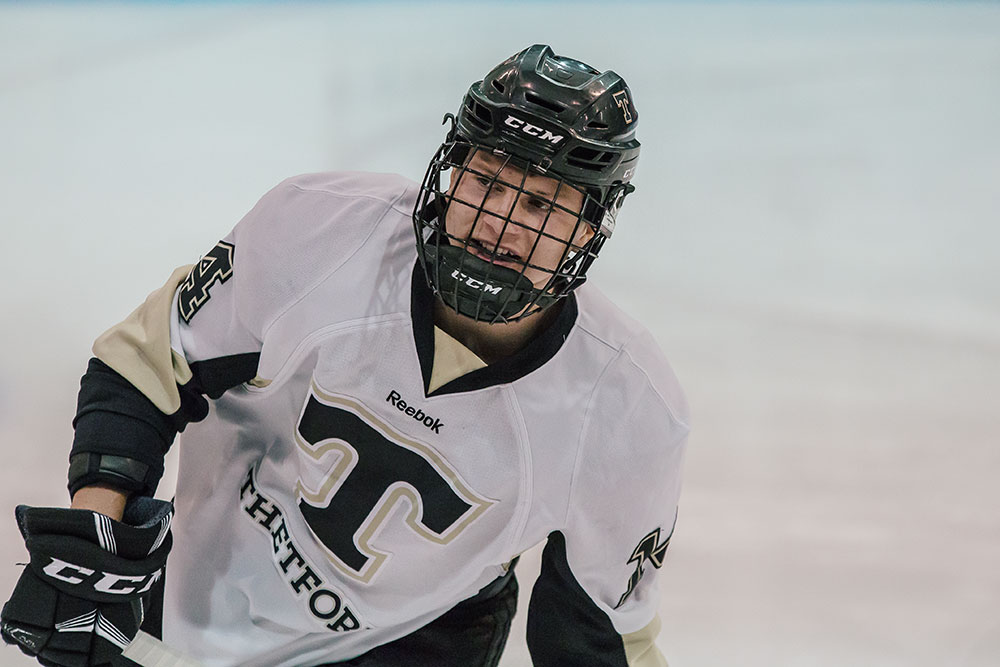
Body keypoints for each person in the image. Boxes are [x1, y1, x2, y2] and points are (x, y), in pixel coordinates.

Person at [2, 44, 690, 667]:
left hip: (406, 646)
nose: (498, 224)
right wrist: (96, 539)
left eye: (543, 205)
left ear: (592, 229)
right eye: (487, 184)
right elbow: (145, 367)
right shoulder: (317, 230)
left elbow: (599, 635)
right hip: (190, 599)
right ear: (450, 171)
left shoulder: (626, 411)